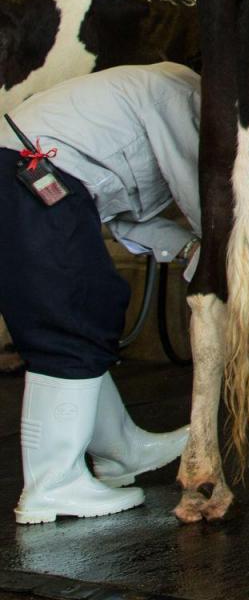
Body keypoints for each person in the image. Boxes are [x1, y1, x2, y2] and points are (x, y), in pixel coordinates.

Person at [0, 62, 202, 525]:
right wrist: (243, 259)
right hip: (31, 174)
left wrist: (192, 247)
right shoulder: (182, 93)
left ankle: (120, 448)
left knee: (71, 307)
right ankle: (53, 484)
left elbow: (123, 215)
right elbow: (201, 192)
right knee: (74, 311)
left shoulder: (142, 97)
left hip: (27, 175)